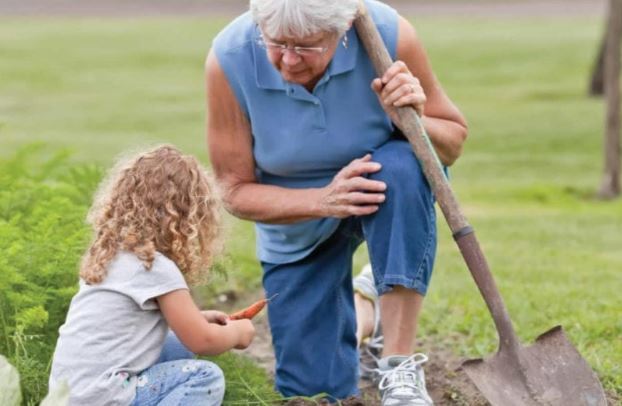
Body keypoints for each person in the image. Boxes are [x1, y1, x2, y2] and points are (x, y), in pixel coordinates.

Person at [206, 0, 467, 404]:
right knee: (315, 391)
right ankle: (369, 308)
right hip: (296, 218)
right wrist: (324, 200)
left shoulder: (389, 34)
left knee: (402, 166)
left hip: (385, 193)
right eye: (277, 43)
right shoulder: (231, 57)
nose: (289, 61)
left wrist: (411, 118)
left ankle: (399, 368)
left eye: (307, 47)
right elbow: (233, 191)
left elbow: (450, 145)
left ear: (342, 31)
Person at [48, 145, 256, 405]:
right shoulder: (155, 267)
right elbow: (203, 340)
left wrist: (199, 319)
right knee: (204, 377)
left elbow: (131, 326)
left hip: (71, 394)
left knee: (177, 345)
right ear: (187, 217)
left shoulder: (108, 255)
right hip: (105, 395)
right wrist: (238, 333)